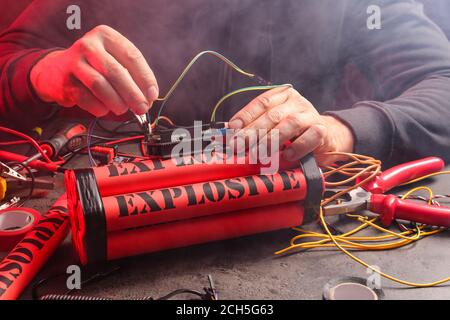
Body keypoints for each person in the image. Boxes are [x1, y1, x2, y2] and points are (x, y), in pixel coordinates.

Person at [0, 0, 449, 166]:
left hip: (301, 221)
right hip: (124, 211)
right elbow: (10, 57)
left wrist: (338, 131)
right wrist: (41, 73)